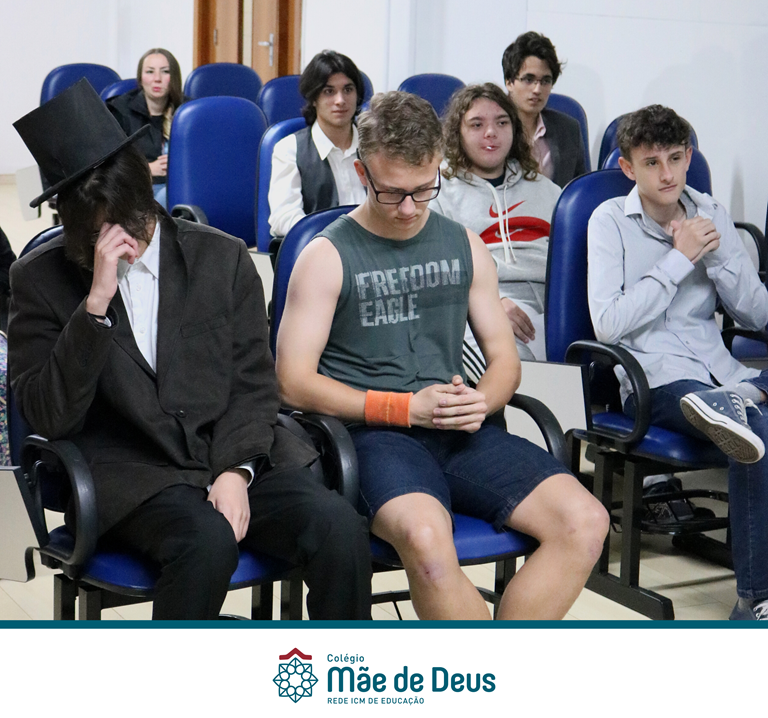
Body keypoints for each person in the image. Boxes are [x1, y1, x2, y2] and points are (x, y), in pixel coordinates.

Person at [9, 79, 371, 620]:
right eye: (94, 231)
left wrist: (237, 471)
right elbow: (47, 414)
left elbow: (252, 383)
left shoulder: (221, 258)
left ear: (145, 197)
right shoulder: (39, 279)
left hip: (229, 451)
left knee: (340, 529)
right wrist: (95, 306)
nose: (117, 242)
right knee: (206, 543)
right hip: (132, 475)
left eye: (127, 223)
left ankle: (338, 673)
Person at [276, 91, 608, 620]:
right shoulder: (327, 255)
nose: (409, 208)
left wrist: (482, 401)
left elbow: (504, 362)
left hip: (459, 430)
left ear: (438, 167)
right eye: (392, 193)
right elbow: (291, 382)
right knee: (428, 540)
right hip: (370, 437)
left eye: (423, 189)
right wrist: (404, 408)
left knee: (586, 522)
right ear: (363, 173)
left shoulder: (463, 245)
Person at [587, 104, 768, 620]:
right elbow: (607, 324)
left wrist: (717, 255)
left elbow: (755, 313)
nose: (666, 174)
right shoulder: (608, 221)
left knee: (749, 420)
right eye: (651, 163)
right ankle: (755, 598)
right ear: (629, 168)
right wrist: (678, 259)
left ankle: (739, 397)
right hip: (655, 378)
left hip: (719, 371)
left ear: (688, 157)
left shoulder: (709, 211)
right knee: (754, 429)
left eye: (674, 158)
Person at [430, 83, 560, 365]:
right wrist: (490, 303)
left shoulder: (549, 191)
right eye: (477, 124)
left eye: (502, 122)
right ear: (458, 133)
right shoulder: (438, 192)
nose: (491, 132)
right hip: (480, 305)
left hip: (554, 306)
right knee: (514, 367)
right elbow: (438, 274)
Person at [268, 50, 367, 238]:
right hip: (318, 247)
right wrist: (330, 237)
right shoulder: (289, 149)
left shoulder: (374, 145)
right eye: (329, 91)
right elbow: (283, 218)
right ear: (314, 98)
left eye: (348, 90)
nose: (340, 100)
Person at [502, 31, 586, 189]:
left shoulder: (569, 130)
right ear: (509, 82)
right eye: (528, 79)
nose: (537, 89)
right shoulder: (492, 130)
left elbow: (580, 190)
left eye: (546, 81)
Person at [108, 48, 186, 208]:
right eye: (150, 72)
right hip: (135, 189)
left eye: (165, 72)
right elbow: (108, 164)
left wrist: (178, 166)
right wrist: (148, 169)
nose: (157, 79)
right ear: (140, 78)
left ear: (174, 77)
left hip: (180, 186)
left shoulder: (188, 112)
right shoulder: (120, 110)